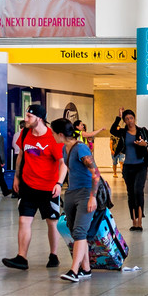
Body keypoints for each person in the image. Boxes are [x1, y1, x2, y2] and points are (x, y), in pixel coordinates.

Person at [4, 103, 63, 270]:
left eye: (29, 116)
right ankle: (21, 257)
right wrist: (16, 177)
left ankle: (54, 254)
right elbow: (21, 156)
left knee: (52, 222)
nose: (26, 119)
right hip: (28, 185)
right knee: (24, 220)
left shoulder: (53, 137)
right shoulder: (24, 134)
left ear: (40, 118)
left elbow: (62, 162)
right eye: (26, 115)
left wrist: (59, 183)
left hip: (49, 188)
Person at [53, 118, 100, 283]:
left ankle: (74, 270)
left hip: (86, 193)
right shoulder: (66, 149)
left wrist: (92, 197)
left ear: (60, 134)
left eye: (54, 133)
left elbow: (96, 173)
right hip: (71, 193)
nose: (53, 136)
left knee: (80, 232)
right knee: (75, 232)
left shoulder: (81, 148)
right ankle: (86, 269)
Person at [110, 108, 148, 231]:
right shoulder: (123, 132)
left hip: (141, 165)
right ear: (124, 121)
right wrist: (118, 117)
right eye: (127, 119)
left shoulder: (142, 131)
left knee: (138, 191)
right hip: (128, 167)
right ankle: (134, 222)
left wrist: (145, 144)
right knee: (130, 194)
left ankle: (140, 221)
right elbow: (113, 130)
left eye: (131, 118)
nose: (129, 121)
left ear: (134, 119)